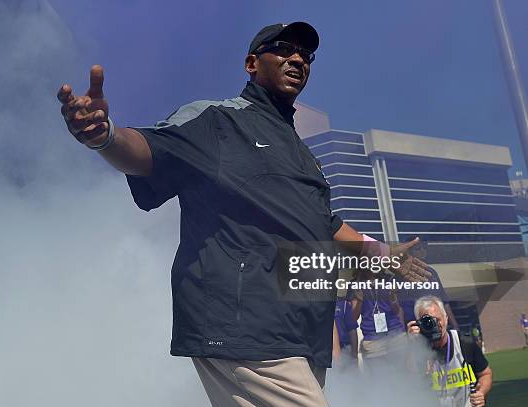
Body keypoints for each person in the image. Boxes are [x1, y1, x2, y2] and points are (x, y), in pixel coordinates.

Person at [57, 21, 430, 407]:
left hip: (299, 333)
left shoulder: (302, 154)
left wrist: (383, 256)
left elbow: (325, 224)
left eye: (306, 54)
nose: (298, 58)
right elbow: (148, 152)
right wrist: (105, 136)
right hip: (242, 325)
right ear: (252, 63)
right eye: (284, 48)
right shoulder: (217, 120)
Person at [408, 296, 492, 407]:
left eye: (438, 320)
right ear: (419, 324)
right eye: (428, 322)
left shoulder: (464, 343)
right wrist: (413, 344)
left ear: (446, 318)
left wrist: (481, 393)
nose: (435, 325)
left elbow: (486, 374)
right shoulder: (420, 350)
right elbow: (410, 380)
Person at [349, 270, 407, 373]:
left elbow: (397, 310)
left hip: (394, 334)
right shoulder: (356, 284)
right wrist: (360, 300)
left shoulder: (389, 279)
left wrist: (393, 297)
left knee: (401, 375)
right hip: (372, 338)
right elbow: (353, 317)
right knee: (378, 379)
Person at [396, 238, 460, 331]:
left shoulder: (431, 272)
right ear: (409, 253)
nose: (422, 251)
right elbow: (400, 308)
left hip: (436, 326)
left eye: (423, 248)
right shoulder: (401, 277)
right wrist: (402, 333)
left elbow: (444, 302)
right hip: (416, 329)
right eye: (418, 249)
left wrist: (455, 326)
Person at [332, 297, 359, 370]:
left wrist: (354, 355)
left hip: (344, 350)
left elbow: (352, 330)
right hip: (325, 353)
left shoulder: (344, 304)